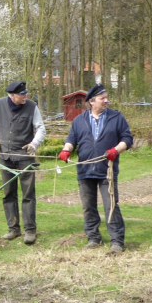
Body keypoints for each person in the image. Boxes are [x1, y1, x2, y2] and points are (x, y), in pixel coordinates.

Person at [58, 83, 133, 254]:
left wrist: (116, 150)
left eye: (106, 98)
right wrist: (66, 150)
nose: (106, 101)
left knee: (111, 205)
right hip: (85, 171)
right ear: (92, 101)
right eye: (102, 98)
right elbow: (71, 140)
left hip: (107, 171)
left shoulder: (117, 118)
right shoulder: (79, 121)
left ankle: (117, 241)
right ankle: (93, 238)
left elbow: (127, 139)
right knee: (88, 206)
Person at [0, 81, 46, 245]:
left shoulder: (32, 107)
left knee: (28, 194)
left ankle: (30, 230)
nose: (25, 96)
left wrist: (34, 144)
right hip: (5, 156)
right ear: (12, 96)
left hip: (25, 156)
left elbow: (41, 128)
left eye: (26, 93)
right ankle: (13, 229)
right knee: (9, 193)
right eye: (22, 94)